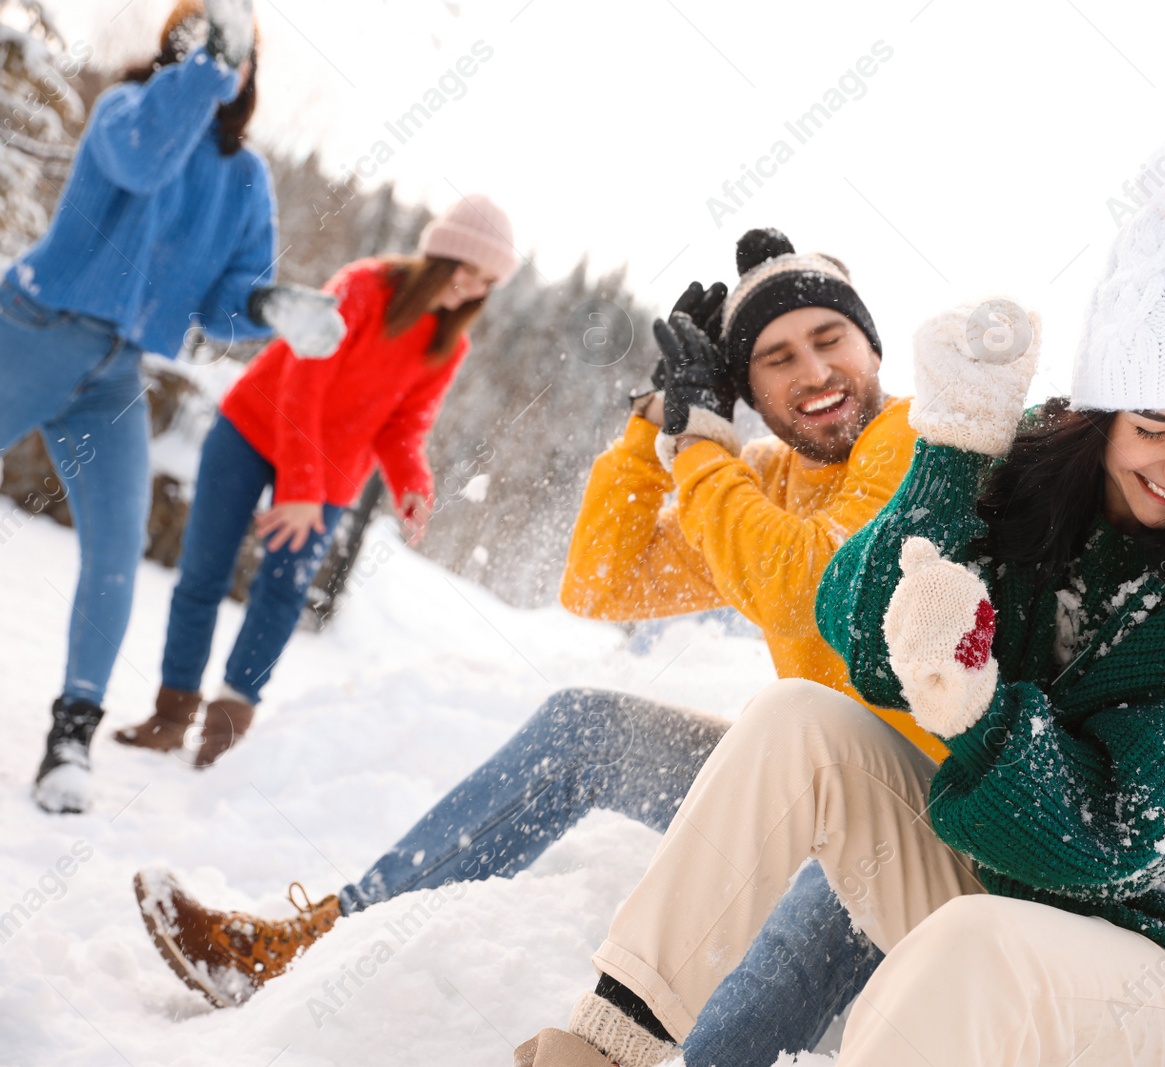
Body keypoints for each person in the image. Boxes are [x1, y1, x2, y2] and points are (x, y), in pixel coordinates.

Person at [513, 138, 1165, 1067]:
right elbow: (853, 635)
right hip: (1004, 889)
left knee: (966, 946)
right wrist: (953, 455)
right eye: (1153, 426)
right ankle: (606, 1045)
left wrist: (979, 710)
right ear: (1101, 409)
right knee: (795, 720)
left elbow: (1117, 838)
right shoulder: (1024, 464)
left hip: (1164, 973)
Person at [135, 228, 942, 1066]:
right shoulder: (763, 480)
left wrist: (701, 447)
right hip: (793, 779)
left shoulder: (918, 439)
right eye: (775, 357)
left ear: (869, 344)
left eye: (828, 339)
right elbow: (601, 580)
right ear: (746, 386)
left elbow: (808, 588)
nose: (812, 373)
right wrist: (654, 422)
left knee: (794, 932)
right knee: (581, 726)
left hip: (913, 816)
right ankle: (319, 939)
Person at [0, 0, 345, 814]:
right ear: (182, 53)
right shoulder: (126, 111)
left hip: (115, 375)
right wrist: (202, 71)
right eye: (214, 52)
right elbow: (147, 161)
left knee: (116, 553)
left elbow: (221, 304)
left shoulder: (243, 178)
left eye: (242, 58)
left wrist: (266, 311)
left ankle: (70, 738)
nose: (231, 71)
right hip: (31, 333)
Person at [111, 195, 518, 767]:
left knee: (281, 595)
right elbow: (305, 384)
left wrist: (411, 484)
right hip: (252, 430)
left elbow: (406, 425)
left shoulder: (447, 343)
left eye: (488, 282)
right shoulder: (362, 287)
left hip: (332, 470)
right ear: (437, 255)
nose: (472, 287)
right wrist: (298, 490)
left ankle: (222, 742)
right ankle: (171, 716)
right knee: (204, 573)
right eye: (467, 269)